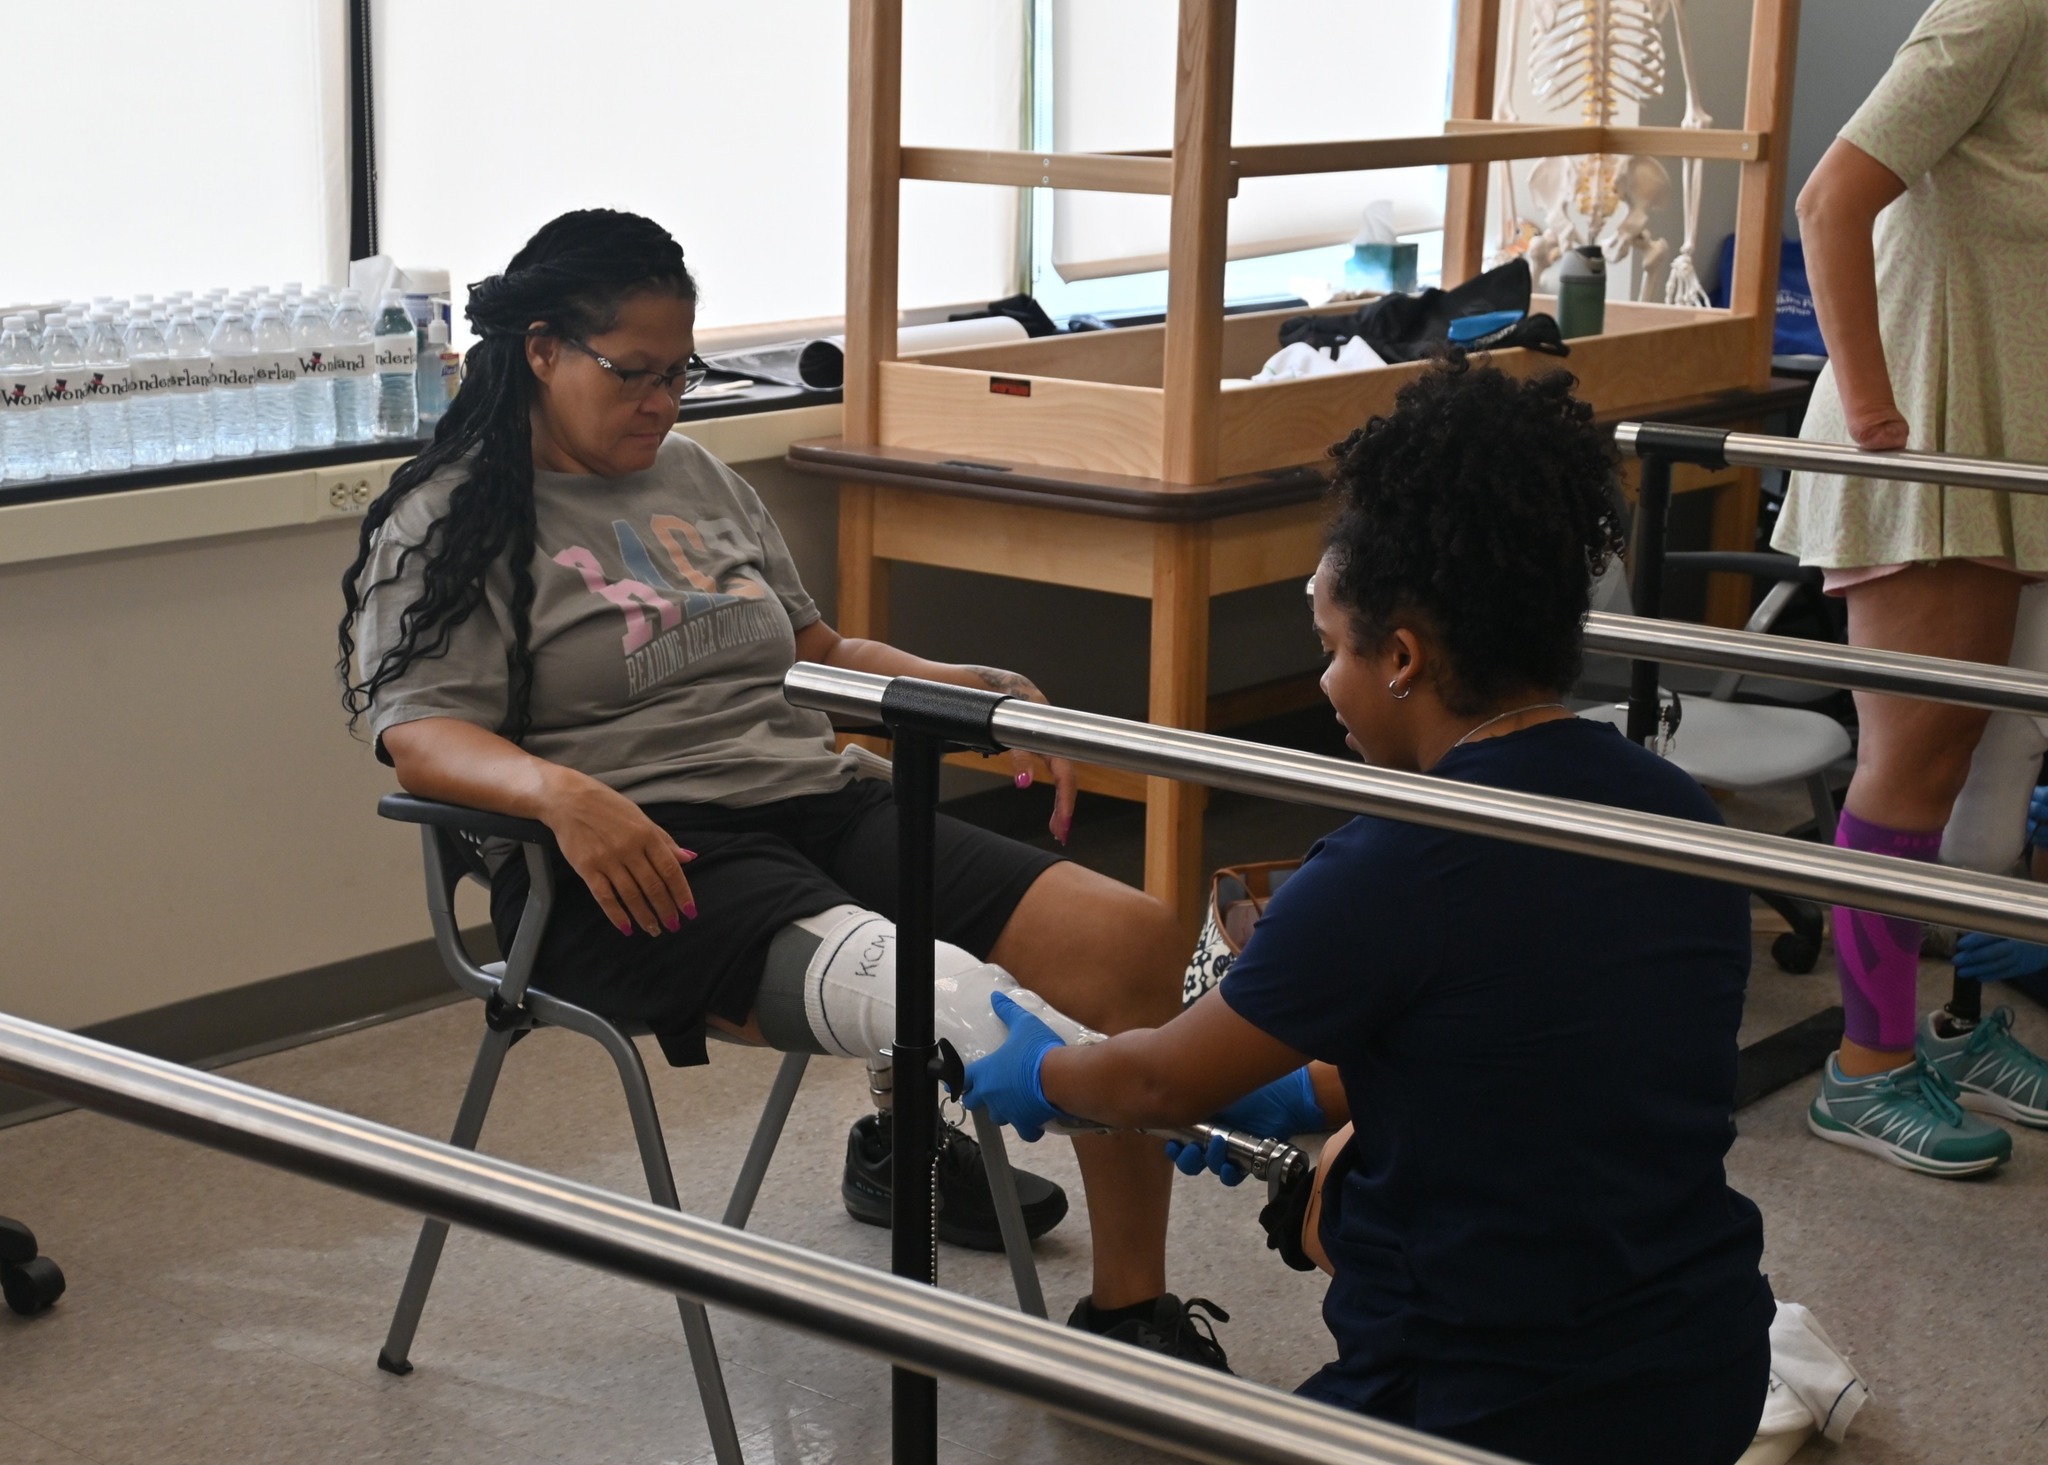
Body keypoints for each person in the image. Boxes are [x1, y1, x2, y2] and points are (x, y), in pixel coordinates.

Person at [337, 208, 1226, 1365]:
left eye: (680, 371)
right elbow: (420, 734)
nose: (664, 401)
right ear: (542, 348)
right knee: (945, 997)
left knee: (1130, 937)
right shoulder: (452, 514)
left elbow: (815, 650)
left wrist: (967, 687)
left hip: (809, 798)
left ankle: (1127, 1314)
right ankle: (920, 1141)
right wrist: (560, 794)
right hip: (632, 860)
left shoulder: (694, 473)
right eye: (635, 373)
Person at [963, 358, 1773, 1465]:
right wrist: (1307, 1091)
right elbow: (1544, 1048)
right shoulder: (1668, 807)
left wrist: (1045, 1076)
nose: (1326, 680)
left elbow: (1157, 1080)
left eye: (1332, 645)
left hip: (1482, 1404)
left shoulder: (1390, 865)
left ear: (1401, 657)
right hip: (1704, 1361)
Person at [1771, 0, 2048, 1172]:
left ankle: (1959, 1031)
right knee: (1916, 760)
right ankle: (1863, 1067)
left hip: (2009, 437)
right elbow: (1827, 201)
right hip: (1928, 434)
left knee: (1997, 765)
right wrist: (1879, 423)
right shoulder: (2002, 9)